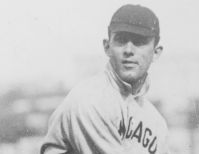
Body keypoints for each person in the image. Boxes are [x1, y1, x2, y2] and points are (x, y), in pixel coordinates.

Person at [40, 4, 170, 154]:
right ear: (107, 46)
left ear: (156, 52)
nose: (129, 50)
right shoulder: (90, 99)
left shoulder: (156, 122)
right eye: (121, 40)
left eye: (139, 42)